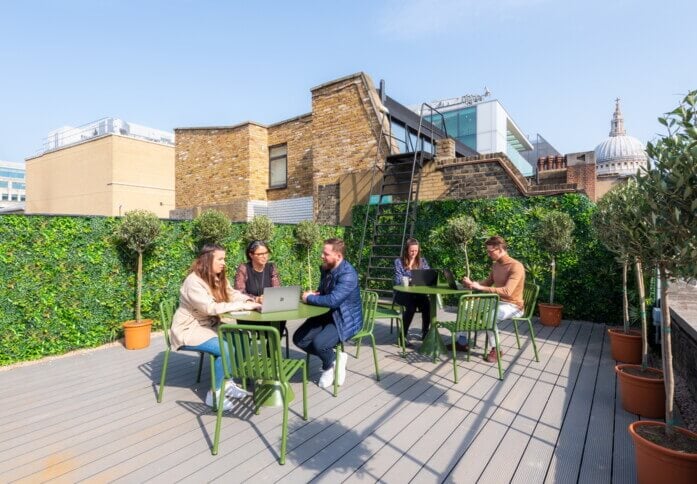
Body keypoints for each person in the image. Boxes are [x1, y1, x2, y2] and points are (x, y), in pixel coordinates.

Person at [170, 243, 261, 410]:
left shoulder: (217, 276)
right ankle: (214, 393)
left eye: (224, 259)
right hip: (190, 328)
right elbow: (210, 308)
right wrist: (243, 307)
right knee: (225, 349)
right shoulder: (193, 282)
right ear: (206, 260)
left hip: (210, 325)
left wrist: (249, 301)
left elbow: (232, 294)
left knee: (241, 339)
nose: (223, 262)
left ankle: (227, 381)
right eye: (220, 259)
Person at [294, 238, 362, 389]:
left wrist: (309, 298)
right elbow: (326, 293)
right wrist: (316, 294)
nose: (322, 256)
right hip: (326, 314)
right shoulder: (327, 268)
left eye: (326, 253)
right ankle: (335, 359)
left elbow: (333, 300)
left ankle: (328, 366)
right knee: (299, 339)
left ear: (338, 256)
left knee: (320, 344)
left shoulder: (348, 274)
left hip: (345, 318)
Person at [460, 235, 525, 363]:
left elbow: (507, 291)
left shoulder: (516, 266)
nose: (488, 254)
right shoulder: (496, 265)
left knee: (489, 316)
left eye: (490, 251)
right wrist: (473, 284)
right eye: (487, 251)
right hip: (497, 302)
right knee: (466, 306)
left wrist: (481, 288)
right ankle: (461, 342)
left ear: (500, 249)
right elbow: (488, 282)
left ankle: (497, 349)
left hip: (514, 306)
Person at [234, 240, 285, 336]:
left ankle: (271, 350)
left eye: (266, 253)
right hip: (250, 312)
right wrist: (256, 299)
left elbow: (277, 290)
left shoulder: (271, 267)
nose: (265, 256)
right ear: (251, 255)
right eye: (260, 254)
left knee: (281, 319)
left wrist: (269, 298)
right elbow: (238, 293)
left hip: (267, 311)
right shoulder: (244, 268)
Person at [393, 238, 431, 347]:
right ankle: (402, 336)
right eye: (411, 251)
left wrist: (422, 279)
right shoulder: (398, 262)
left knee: (427, 305)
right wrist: (410, 277)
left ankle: (425, 332)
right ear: (406, 250)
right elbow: (398, 280)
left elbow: (428, 275)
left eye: (416, 251)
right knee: (411, 307)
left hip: (417, 293)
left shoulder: (422, 261)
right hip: (402, 293)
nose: (414, 253)